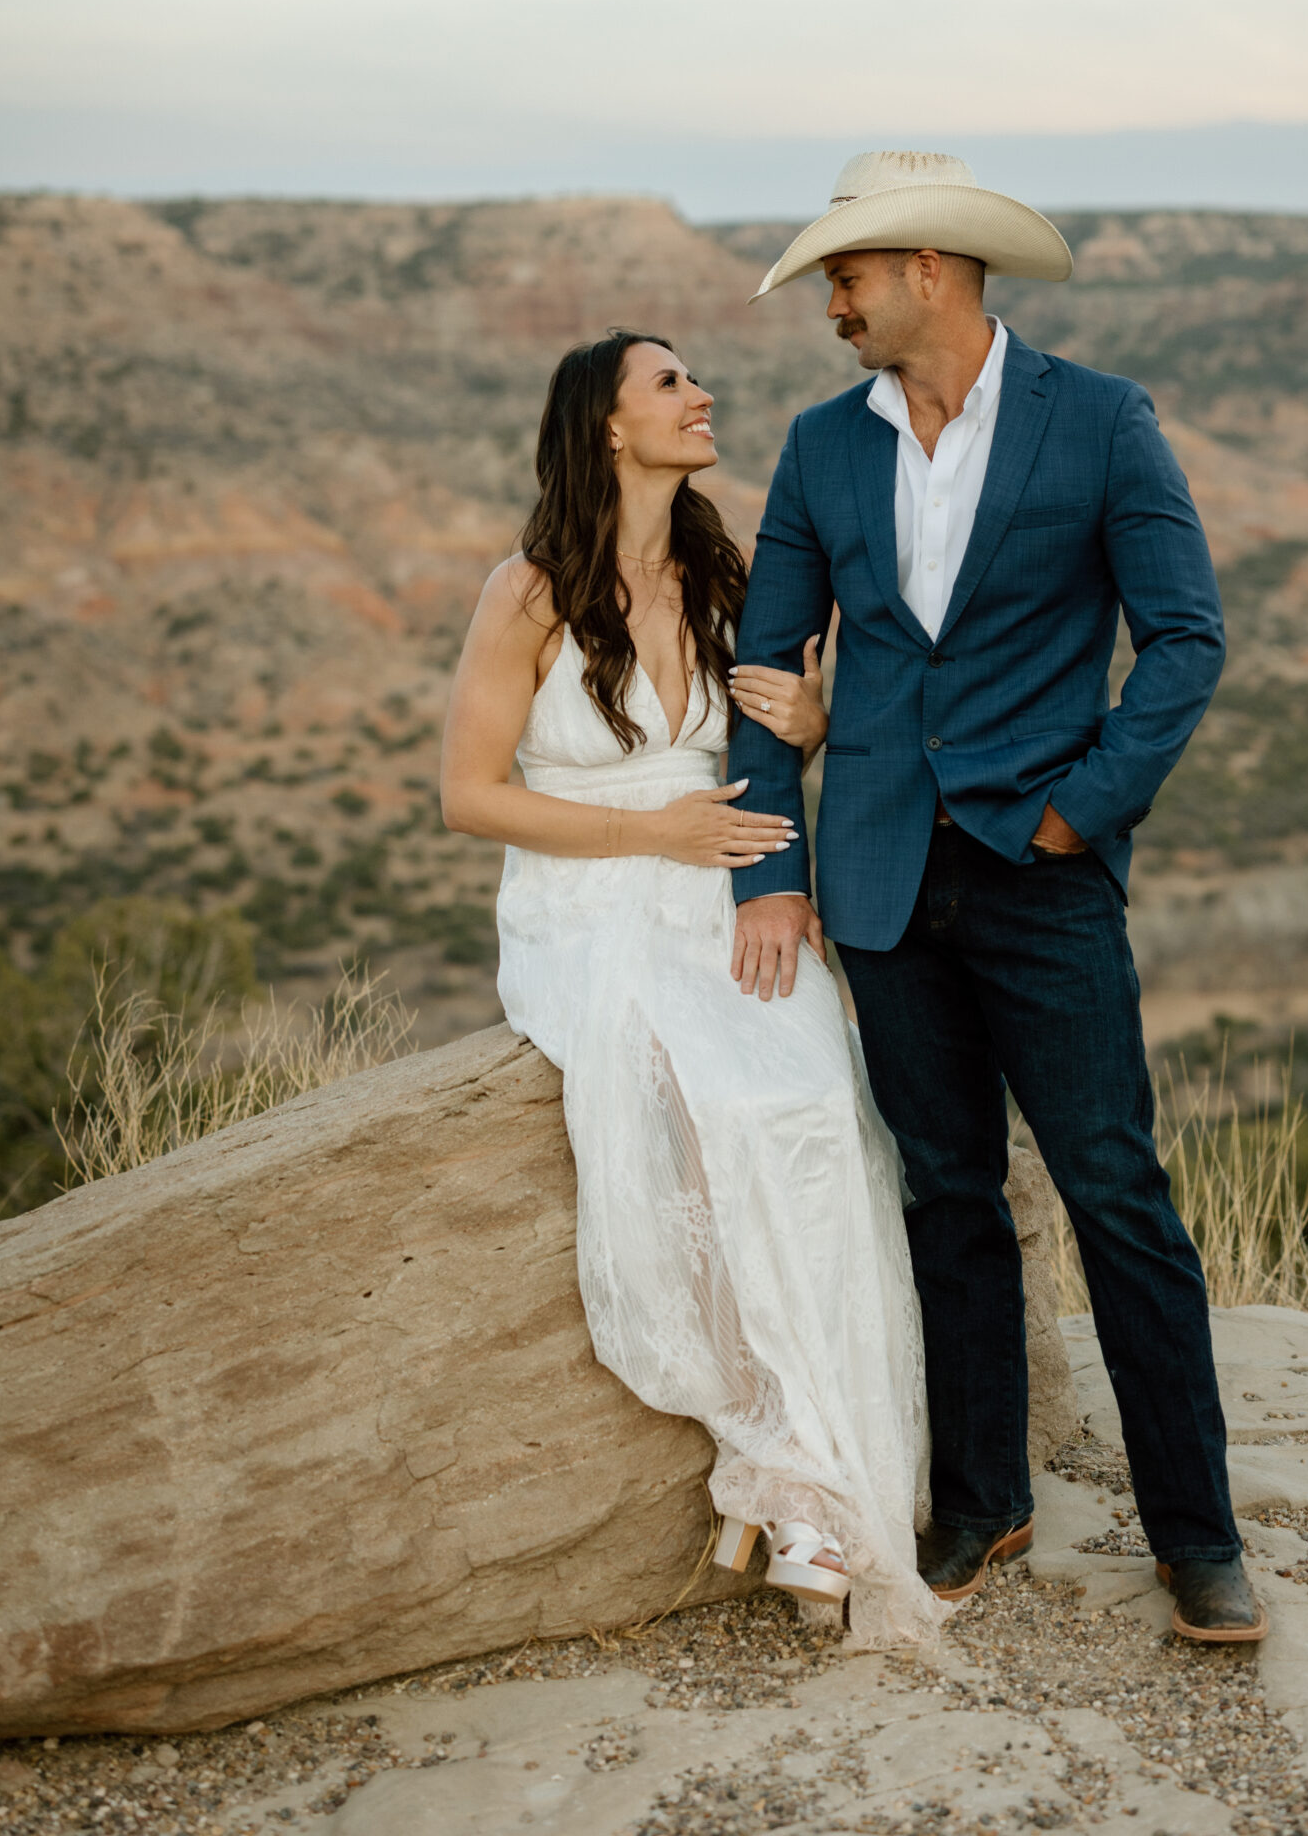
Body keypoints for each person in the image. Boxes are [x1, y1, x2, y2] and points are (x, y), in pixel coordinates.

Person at [725, 151, 1266, 1645]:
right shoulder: (822, 447)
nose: (831, 300)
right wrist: (769, 872)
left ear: (932, 272)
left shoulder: (1099, 421)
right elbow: (768, 687)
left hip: (1045, 878)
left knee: (1117, 1196)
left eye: (847, 273)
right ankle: (983, 1498)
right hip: (884, 878)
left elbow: (1185, 641)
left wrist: (1077, 813)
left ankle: (1198, 1536)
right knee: (945, 1193)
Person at [441, 331, 938, 1645]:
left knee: (821, 1110)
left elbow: (789, 739)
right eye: (668, 383)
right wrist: (650, 837)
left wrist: (813, 729)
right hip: (590, 897)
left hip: (719, 885)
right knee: (693, 1102)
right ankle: (777, 1464)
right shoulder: (531, 590)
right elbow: (467, 793)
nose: (701, 395)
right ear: (605, 425)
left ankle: (802, 1473)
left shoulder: (727, 571)